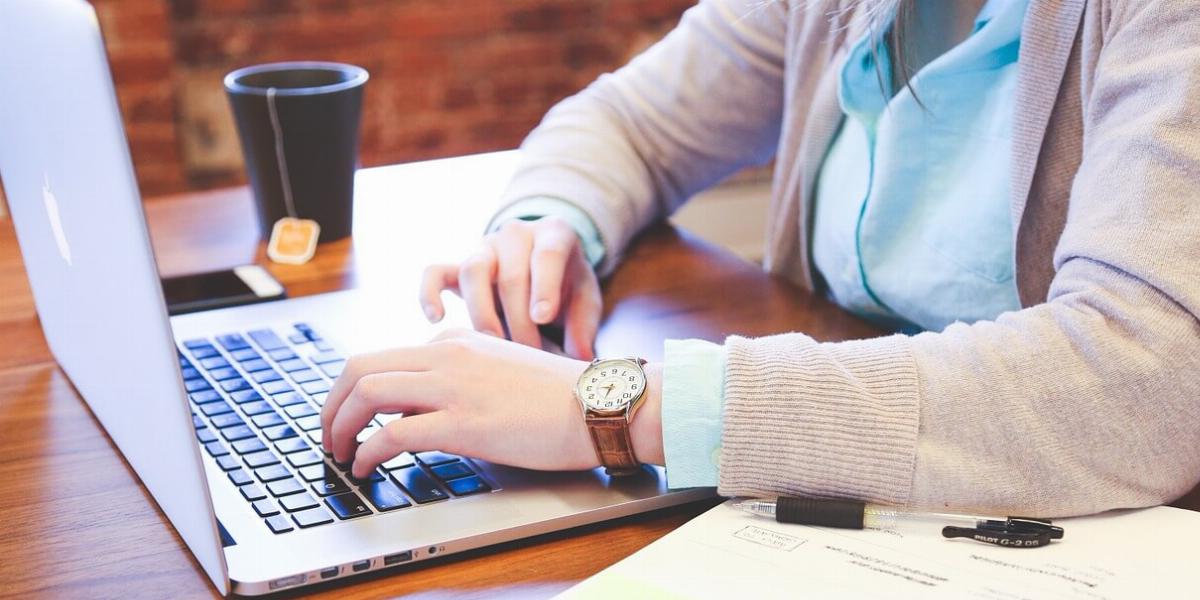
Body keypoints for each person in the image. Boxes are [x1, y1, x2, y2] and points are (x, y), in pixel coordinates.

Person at [320, 0, 1200, 516]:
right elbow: (631, 122)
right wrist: (548, 225)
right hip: (848, 508)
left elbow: (1147, 377)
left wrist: (619, 408)